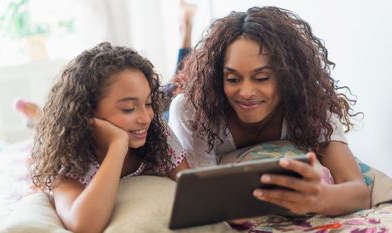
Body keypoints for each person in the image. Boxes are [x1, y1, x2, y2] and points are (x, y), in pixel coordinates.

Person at [169, 6, 370, 217]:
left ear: (287, 76)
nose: (246, 92)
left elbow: (359, 193)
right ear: (219, 79)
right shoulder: (194, 109)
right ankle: (185, 33)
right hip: (180, 101)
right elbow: (207, 195)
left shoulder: (311, 104)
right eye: (233, 79)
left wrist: (319, 198)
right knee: (174, 86)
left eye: (262, 78)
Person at [29, 42, 189, 233]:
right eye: (129, 108)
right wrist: (117, 145)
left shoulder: (157, 133)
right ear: (86, 111)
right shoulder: (68, 158)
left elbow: (191, 190)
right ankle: (35, 117)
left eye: (147, 103)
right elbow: (84, 225)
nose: (146, 118)